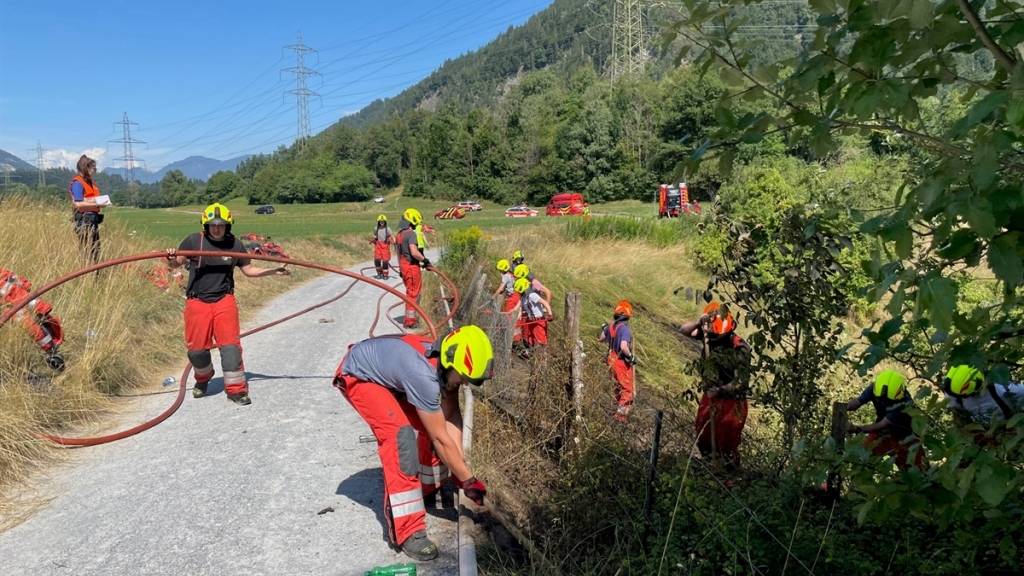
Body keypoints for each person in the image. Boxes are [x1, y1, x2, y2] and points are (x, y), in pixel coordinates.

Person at [333, 325, 492, 561]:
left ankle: (427, 490)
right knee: (401, 438)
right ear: (450, 363)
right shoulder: (424, 376)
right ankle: (408, 531)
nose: (465, 384)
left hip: (391, 378)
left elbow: (450, 419)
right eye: (464, 378)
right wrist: (468, 480)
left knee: (433, 426)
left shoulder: (446, 369)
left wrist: (462, 472)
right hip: (360, 376)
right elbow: (440, 437)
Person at [165, 203, 290, 405]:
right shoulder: (193, 241)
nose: (216, 228)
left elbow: (249, 270)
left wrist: (273, 271)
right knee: (197, 352)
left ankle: (237, 390)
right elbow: (175, 263)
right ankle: (203, 378)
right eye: (212, 225)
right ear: (205, 226)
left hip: (224, 300)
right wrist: (170, 257)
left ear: (228, 226)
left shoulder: (235, 245)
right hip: (197, 302)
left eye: (221, 225)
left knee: (230, 349)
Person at [682, 301, 750, 470]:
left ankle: (729, 474)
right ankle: (709, 468)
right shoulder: (708, 335)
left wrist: (721, 390)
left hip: (732, 401)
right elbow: (683, 330)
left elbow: (741, 382)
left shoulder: (739, 347)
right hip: (710, 395)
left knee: (726, 441)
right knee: (703, 435)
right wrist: (699, 322)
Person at [847, 369, 924, 470]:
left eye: (889, 401)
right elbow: (857, 402)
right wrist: (842, 408)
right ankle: (857, 482)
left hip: (907, 438)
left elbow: (882, 424)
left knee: (917, 472)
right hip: (883, 433)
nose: (884, 402)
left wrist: (857, 428)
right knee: (862, 456)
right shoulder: (874, 389)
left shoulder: (905, 403)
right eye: (881, 399)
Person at [0, 268, 65, 371]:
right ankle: (52, 351)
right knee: (33, 323)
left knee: (35, 321)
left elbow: (20, 281)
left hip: (23, 301)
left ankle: (53, 351)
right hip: (18, 303)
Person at [942, 365, 1023, 427]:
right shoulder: (953, 394)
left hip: (1008, 429)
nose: (965, 398)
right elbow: (957, 414)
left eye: (967, 395)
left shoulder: (1003, 389)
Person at [599, 300, 636, 422]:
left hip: (611, 359)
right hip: (620, 361)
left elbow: (601, 338)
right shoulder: (624, 329)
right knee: (627, 389)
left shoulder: (611, 326)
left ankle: (617, 410)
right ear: (627, 315)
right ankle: (620, 416)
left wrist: (604, 328)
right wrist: (631, 357)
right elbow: (623, 346)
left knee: (617, 386)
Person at [396, 208, 429, 328]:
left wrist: (400, 269)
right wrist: (425, 260)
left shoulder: (399, 235)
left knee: (410, 292)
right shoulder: (411, 234)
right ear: (412, 222)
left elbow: (399, 253)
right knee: (413, 294)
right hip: (411, 267)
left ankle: (410, 318)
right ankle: (410, 322)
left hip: (404, 266)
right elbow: (414, 252)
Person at [67, 154, 104, 262]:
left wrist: (97, 202)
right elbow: (78, 203)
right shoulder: (78, 183)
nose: (95, 171)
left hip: (92, 219)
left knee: (95, 249)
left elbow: (85, 199)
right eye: (93, 168)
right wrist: (97, 203)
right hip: (84, 220)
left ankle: (96, 273)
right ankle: (89, 273)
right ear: (86, 168)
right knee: (89, 250)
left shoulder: (88, 183)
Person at [514, 277, 553, 356]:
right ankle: (533, 355)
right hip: (531, 320)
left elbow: (545, 303)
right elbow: (521, 310)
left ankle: (543, 358)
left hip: (538, 320)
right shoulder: (524, 298)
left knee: (541, 340)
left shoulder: (532, 295)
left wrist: (550, 314)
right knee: (531, 338)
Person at [370, 214, 394, 280]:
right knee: (377, 259)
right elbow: (375, 236)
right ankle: (379, 273)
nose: (382, 223)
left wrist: (393, 241)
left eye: (383, 221)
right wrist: (373, 240)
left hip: (385, 246)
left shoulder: (388, 229)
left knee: (385, 261)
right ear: (378, 222)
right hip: (378, 246)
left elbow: (391, 236)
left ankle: (385, 274)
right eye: (380, 221)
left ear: (385, 222)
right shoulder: (376, 228)